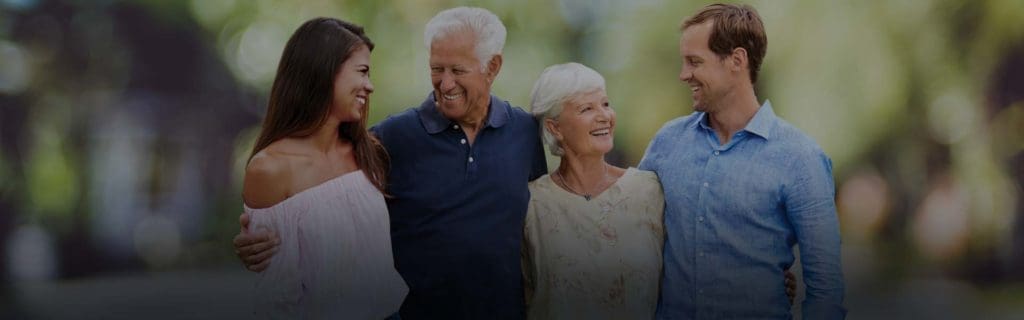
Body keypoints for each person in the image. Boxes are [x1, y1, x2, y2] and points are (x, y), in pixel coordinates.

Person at [234, 7, 548, 319]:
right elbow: (323, 207)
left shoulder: (525, 132)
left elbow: (549, 220)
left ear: (492, 67)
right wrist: (260, 239)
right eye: (437, 69)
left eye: (458, 70)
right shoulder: (389, 139)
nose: (446, 83)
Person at [639, 3, 846, 319]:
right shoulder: (667, 143)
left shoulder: (800, 159)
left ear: (737, 60)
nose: (683, 75)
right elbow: (626, 225)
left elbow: (826, 290)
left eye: (695, 62)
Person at [239, 17, 407, 319]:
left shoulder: (368, 152)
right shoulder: (269, 169)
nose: (370, 85)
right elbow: (275, 295)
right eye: (362, 72)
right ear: (324, 72)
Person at [522, 62, 665, 319]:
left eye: (606, 104)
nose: (604, 116)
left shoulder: (648, 191)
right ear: (555, 128)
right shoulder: (531, 204)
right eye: (586, 108)